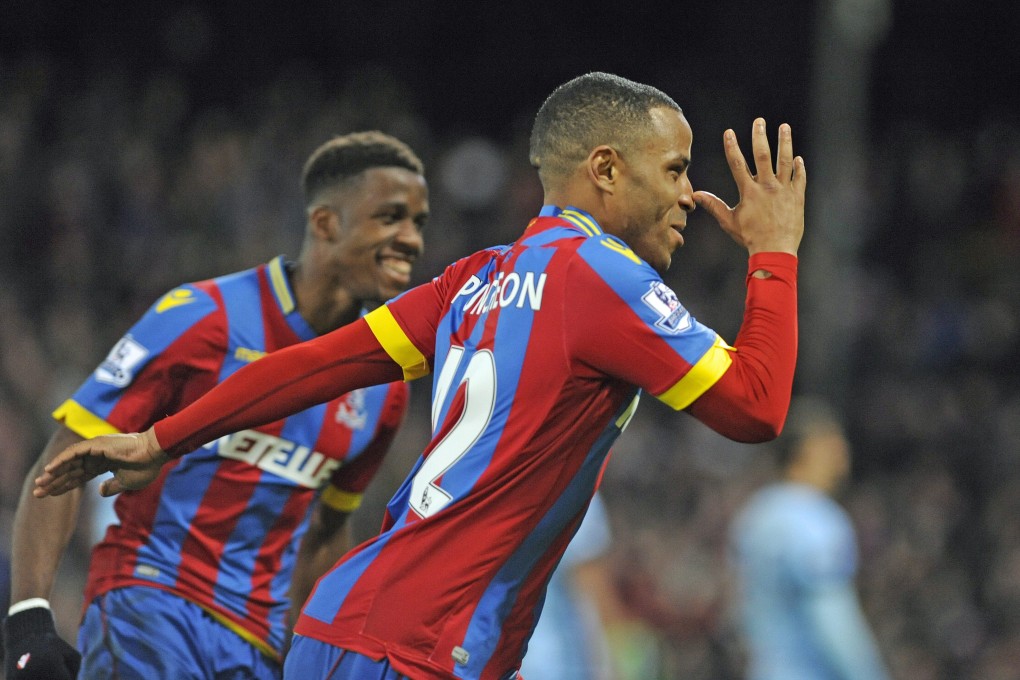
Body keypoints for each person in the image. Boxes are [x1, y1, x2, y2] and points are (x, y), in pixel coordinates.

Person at [35, 71, 806, 680]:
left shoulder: (471, 279)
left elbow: (311, 365)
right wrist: (773, 256)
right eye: (674, 169)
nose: (687, 195)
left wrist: (162, 440)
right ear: (606, 168)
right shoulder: (603, 276)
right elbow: (755, 409)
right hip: (430, 648)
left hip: (339, 626)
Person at [4, 130, 430, 679]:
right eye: (391, 217)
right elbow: (60, 463)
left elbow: (326, 533)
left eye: (418, 223)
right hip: (149, 605)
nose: (412, 240)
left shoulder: (385, 388)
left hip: (256, 648)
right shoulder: (203, 317)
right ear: (326, 223)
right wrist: (29, 619)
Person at [728, 396, 891, 680]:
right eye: (833, 447)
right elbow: (833, 621)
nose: (843, 458)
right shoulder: (817, 521)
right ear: (807, 450)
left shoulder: (755, 514)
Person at [519, 491, 615, 680]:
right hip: (559, 665)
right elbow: (590, 596)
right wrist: (604, 669)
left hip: (499, 662)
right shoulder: (575, 481)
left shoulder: (488, 481)